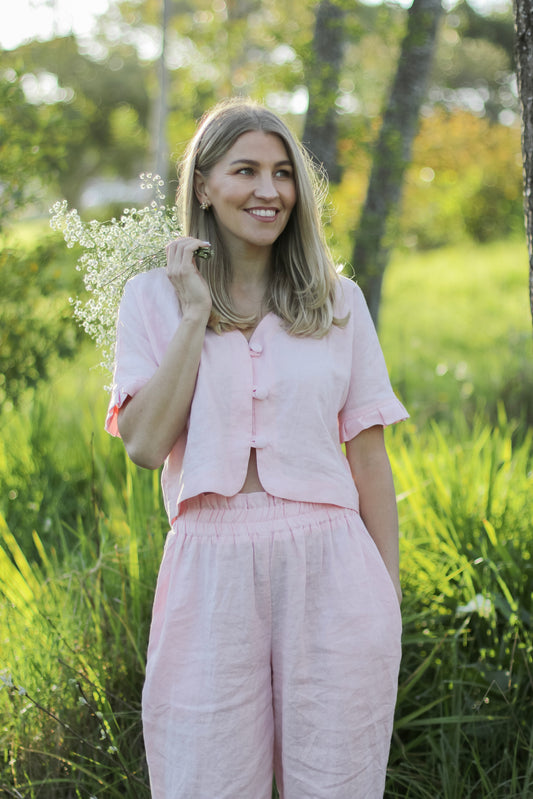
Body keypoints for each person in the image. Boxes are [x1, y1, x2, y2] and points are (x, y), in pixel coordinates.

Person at [105, 98, 408, 799]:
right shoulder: (149, 299)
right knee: (200, 777)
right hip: (207, 560)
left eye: (282, 173)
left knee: (337, 781)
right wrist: (192, 314)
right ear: (203, 185)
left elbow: (369, 459)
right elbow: (146, 445)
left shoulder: (338, 302)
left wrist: (386, 600)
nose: (268, 191)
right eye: (245, 170)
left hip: (333, 562)